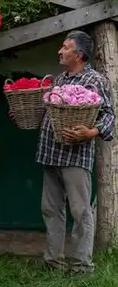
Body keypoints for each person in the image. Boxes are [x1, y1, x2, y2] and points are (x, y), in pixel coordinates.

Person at [36, 30, 115, 274]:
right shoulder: (59, 80)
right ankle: (54, 261)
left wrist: (90, 133)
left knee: (80, 212)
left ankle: (83, 265)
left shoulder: (96, 81)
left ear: (78, 54)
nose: (60, 51)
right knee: (51, 209)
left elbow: (109, 116)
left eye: (65, 47)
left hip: (75, 156)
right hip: (51, 153)